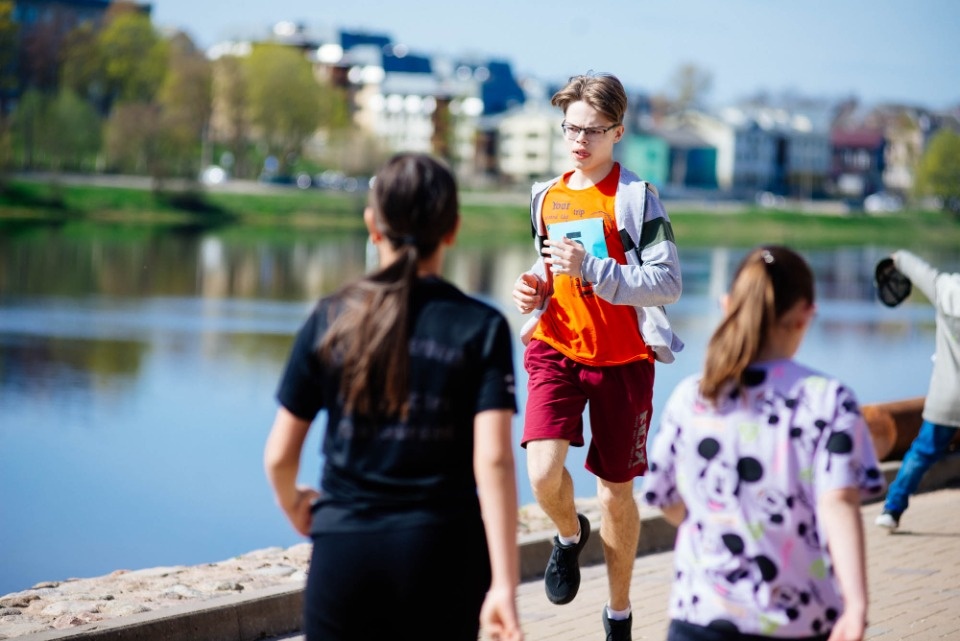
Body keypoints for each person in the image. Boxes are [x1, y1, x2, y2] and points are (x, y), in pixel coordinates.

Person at [264, 153, 523, 641]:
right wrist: (505, 585)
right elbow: (494, 461)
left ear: (372, 226)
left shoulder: (331, 316)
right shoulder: (482, 327)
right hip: (444, 550)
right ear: (453, 230)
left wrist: (295, 503)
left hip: (345, 550)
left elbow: (279, 456)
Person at [511, 71, 683, 641]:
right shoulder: (545, 195)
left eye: (592, 130)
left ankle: (618, 612)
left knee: (616, 494)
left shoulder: (637, 199)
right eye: (570, 128)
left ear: (618, 132)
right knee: (541, 473)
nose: (579, 140)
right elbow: (547, 264)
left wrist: (596, 272)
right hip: (556, 347)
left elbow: (666, 282)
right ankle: (566, 534)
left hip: (624, 360)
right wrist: (533, 286)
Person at [642, 245, 886, 641]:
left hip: (699, 615)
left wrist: (722, 519)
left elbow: (665, 498)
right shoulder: (827, 399)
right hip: (798, 620)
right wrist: (856, 606)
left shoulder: (694, 397)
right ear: (806, 315)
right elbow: (838, 503)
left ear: (727, 306)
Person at [875, 250, 960, 531]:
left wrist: (897, 258)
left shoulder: (947, 289)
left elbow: (919, 270)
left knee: (921, 453)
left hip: (947, 397)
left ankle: (892, 509)